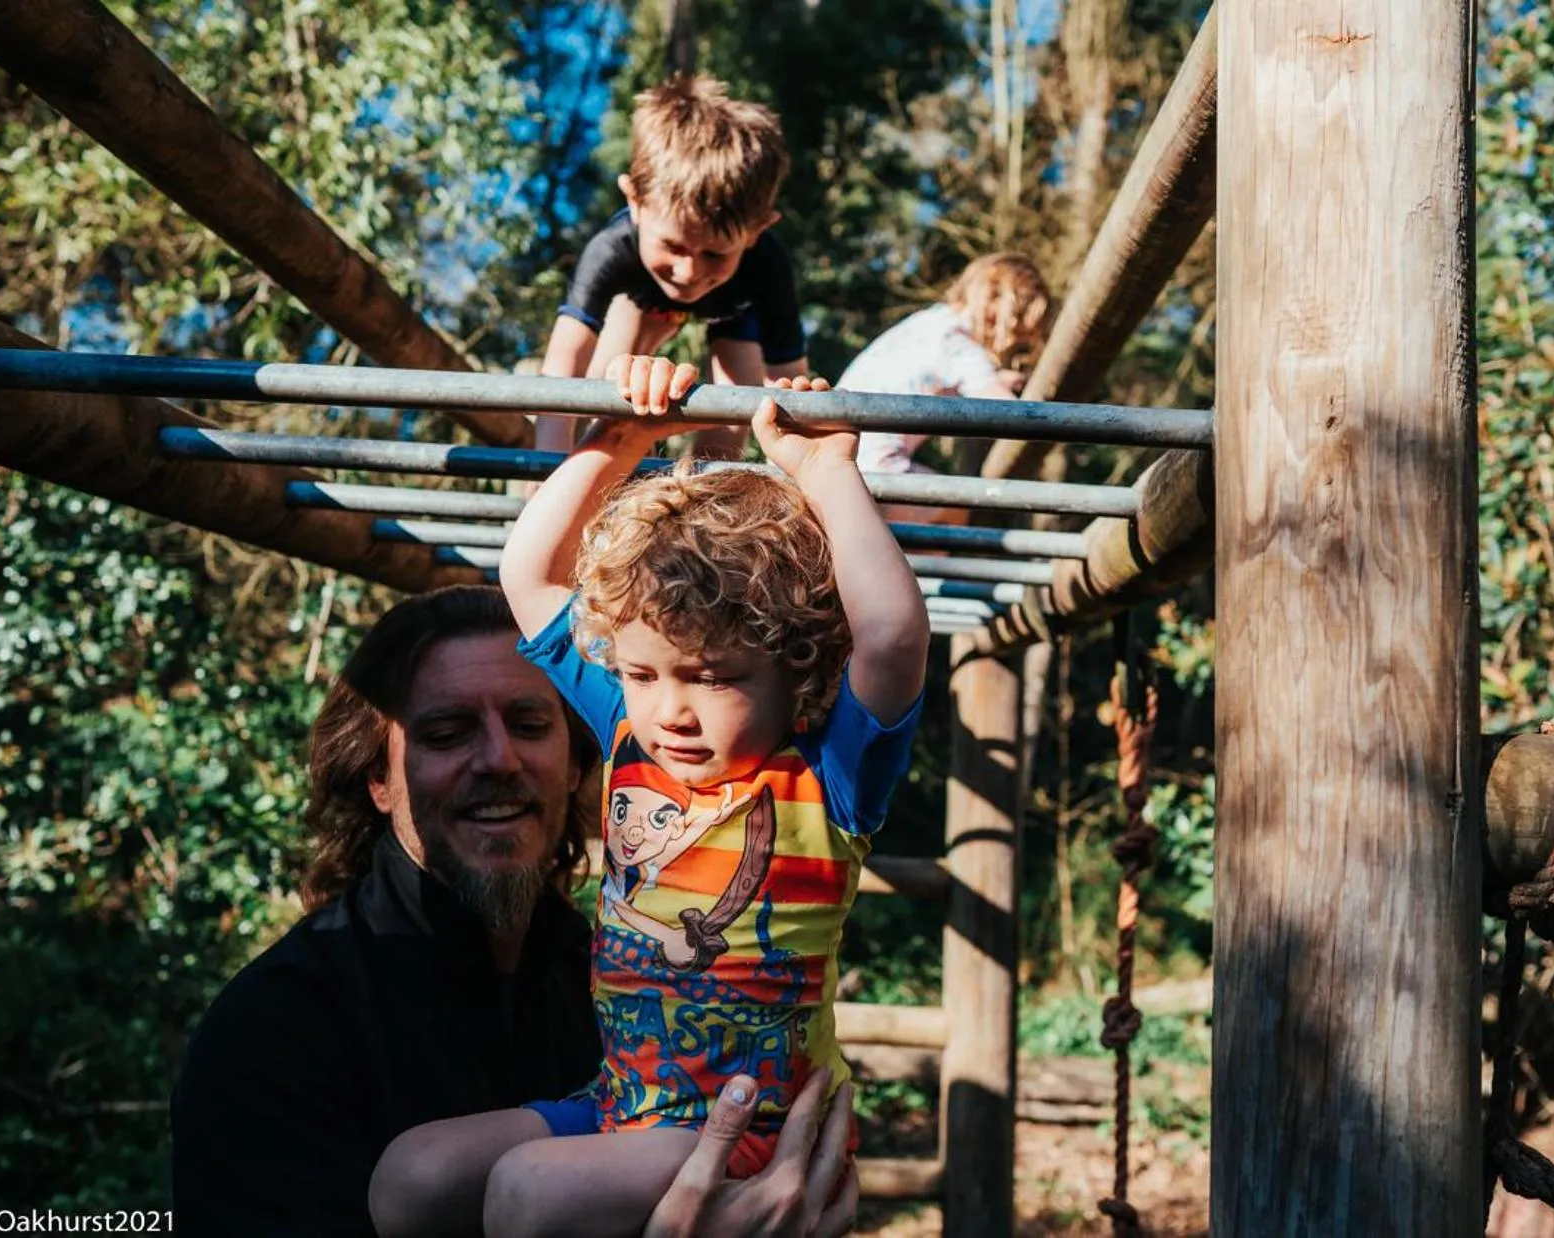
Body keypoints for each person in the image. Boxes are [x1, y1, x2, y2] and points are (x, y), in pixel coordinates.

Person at [368, 357, 928, 1237]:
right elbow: (529, 576)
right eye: (639, 672)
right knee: (411, 1176)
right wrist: (619, 440)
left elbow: (892, 635)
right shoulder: (632, 731)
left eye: (713, 678)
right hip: (622, 1103)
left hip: (748, 1131)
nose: (671, 708)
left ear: (797, 673)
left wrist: (826, 473)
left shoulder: (829, 777)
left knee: (528, 1191)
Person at [169, 586, 856, 1238]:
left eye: (529, 725)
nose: (499, 759)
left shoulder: (605, 978)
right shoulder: (276, 1031)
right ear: (378, 777)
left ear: (581, 763)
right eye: (446, 732)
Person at [533, 76, 809, 461]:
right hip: (641, 296)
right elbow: (560, 372)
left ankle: (706, 507)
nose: (688, 271)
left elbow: (791, 381)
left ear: (755, 232)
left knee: (737, 406)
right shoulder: (615, 247)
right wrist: (543, 477)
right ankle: (590, 484)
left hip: (733, 305)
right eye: (673, 245)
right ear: (635, 202)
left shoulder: (767, 264)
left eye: (714, 253)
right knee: (609, 377)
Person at [835, 252, 1053, 524]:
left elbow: (944, 377)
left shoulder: (931, 323)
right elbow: (1006, 408)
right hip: (872, 470)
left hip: (842, 459)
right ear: (996, 305)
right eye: (1017, 329)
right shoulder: (959, 343)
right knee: (957, 512)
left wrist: (995, 376)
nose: (1012, 343)